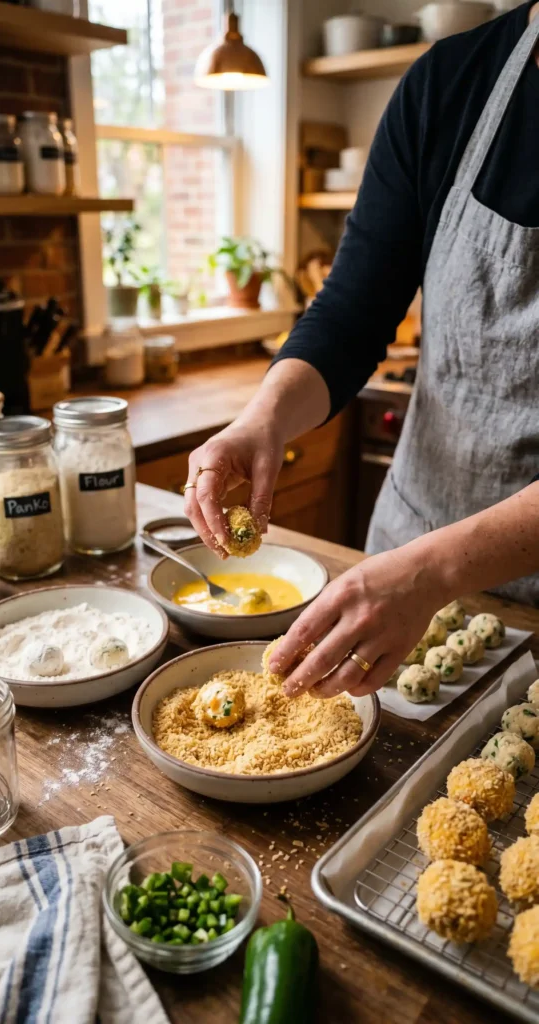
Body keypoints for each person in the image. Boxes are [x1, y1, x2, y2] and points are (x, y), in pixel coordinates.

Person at [183, 1, 539, 699]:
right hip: (410, 550)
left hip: (427, 575)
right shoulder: (450, 85)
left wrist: (434, 572)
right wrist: (265, 418)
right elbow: (350, 314)